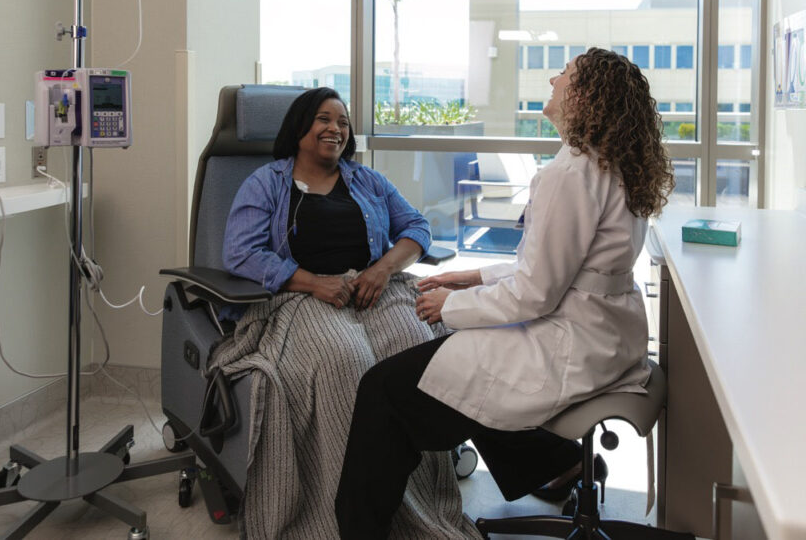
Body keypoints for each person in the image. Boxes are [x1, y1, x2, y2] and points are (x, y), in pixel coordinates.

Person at [334, 47, 676, 539]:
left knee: (384, 389)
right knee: (465, 373)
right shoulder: (614, 164)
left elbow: (535, 294)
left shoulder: (569, 173)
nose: (554, 79)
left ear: (585, 96)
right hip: (607, 337)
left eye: (566, 75)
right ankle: (557, 465)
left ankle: (360, 532)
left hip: (572, 346)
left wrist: (451, 306)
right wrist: (471, 279)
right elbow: (556, 270)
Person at [209, 87, 478, 539]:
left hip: (376, 290)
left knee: (416, 352)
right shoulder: (267, 182)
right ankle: (340, 517)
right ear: (299, 128)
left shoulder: (367, 180)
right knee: (344, 362)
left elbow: (417, 227)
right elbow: (240, 251)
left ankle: (418, 506)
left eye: (343, 122)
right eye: (323, 119)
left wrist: (382, 268)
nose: (335, 128)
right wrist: (313, 281)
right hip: (303, 297)